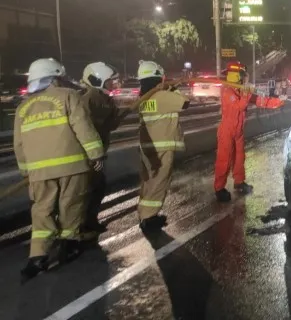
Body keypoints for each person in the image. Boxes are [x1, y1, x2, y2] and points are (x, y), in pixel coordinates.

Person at [14, 58, 105, 281]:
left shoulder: (22, 108)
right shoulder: (68, 96)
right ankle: (69, 244)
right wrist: (96, 155)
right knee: (71, 205)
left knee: (41, 211)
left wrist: (27, 172)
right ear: (56, 77)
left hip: (39, 172)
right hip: (71, 165)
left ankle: (37, 256)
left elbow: (19, 145)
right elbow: (83, 127)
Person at [214, 61, 285, 202]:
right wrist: (247, 94)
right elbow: (239, 106)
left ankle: (239, 182)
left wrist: (278, 101)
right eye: (243, 75)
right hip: (227, 130)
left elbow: (260, 101)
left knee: (239, 158)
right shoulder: (228, 91)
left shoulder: (241, 90)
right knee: (225, 159)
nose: (245, 78)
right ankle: (219, 188)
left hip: (238, 130)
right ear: (237, 75)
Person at [136, 60, 189, 232]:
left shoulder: (143, 98)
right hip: (162, 146)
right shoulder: (162, 96)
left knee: (148, 180)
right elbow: (184, 103)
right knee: (159, 181)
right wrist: (172, 87)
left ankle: (144, 213)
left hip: (146, 145)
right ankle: (149, 218)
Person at [79, 62, 129, 237]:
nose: (112, 85)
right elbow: (86, 127)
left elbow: (110, 124)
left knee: (97, 187)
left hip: (96, 151)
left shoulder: (103, 98)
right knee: (89, 189)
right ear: (97, 80)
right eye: (109, 82)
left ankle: (89, 221)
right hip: (86, 153)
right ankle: (81, 225)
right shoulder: (88, 99)